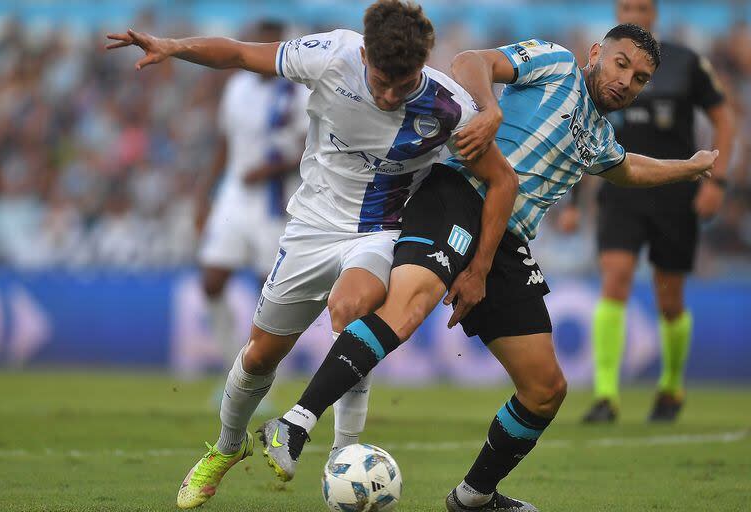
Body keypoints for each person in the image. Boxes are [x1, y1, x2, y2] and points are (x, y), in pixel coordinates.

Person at [259, 24, 719, 512]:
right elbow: (470, 62)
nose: (627, 82)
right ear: (597, 53)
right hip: (458, 195)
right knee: (410, 306)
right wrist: (491, 107)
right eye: (622, 64)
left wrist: (689, 166)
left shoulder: (601, 135)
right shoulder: (556, 63)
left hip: (506, 240)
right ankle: (293, 424)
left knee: (546, 390)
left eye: (641, 78)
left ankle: (474, 497)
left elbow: (627, 168)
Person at [106, 1, 517, 509]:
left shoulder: (449, 107)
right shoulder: (332, 55)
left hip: (380, 229)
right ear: (364, 53)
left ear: (423, 64)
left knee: (354, 310)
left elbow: (502, 181)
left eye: (402, 83)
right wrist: (174, 46)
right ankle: (227, 448)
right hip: (309, 228)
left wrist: (478, 269)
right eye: (380, 80)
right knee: (259, 356)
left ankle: (343, 457)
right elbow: (237, 53)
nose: (389, 95)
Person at [572, 0, 735, 424]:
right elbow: (579, 131)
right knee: (615, 279)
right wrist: (574, 200)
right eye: (628, 5)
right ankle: (606, 395)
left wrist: (717, 180)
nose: (636, 12)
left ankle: (671, 387)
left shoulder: (685, 62)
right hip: (620, 190)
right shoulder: (603, 66)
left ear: (655, 12)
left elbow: (725, 118)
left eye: (642, 6)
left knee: (669, 298)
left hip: (674, 193)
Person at [194, 20, 308, 373]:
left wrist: (270, 171)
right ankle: (234, 365)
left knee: (270, 293)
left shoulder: (299, 92)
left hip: (276, 201)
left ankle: (265, 370)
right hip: (234, 197)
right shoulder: (237, 86)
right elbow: (224, 144)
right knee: (211, 280)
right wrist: (203, 195)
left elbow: (312, 152)